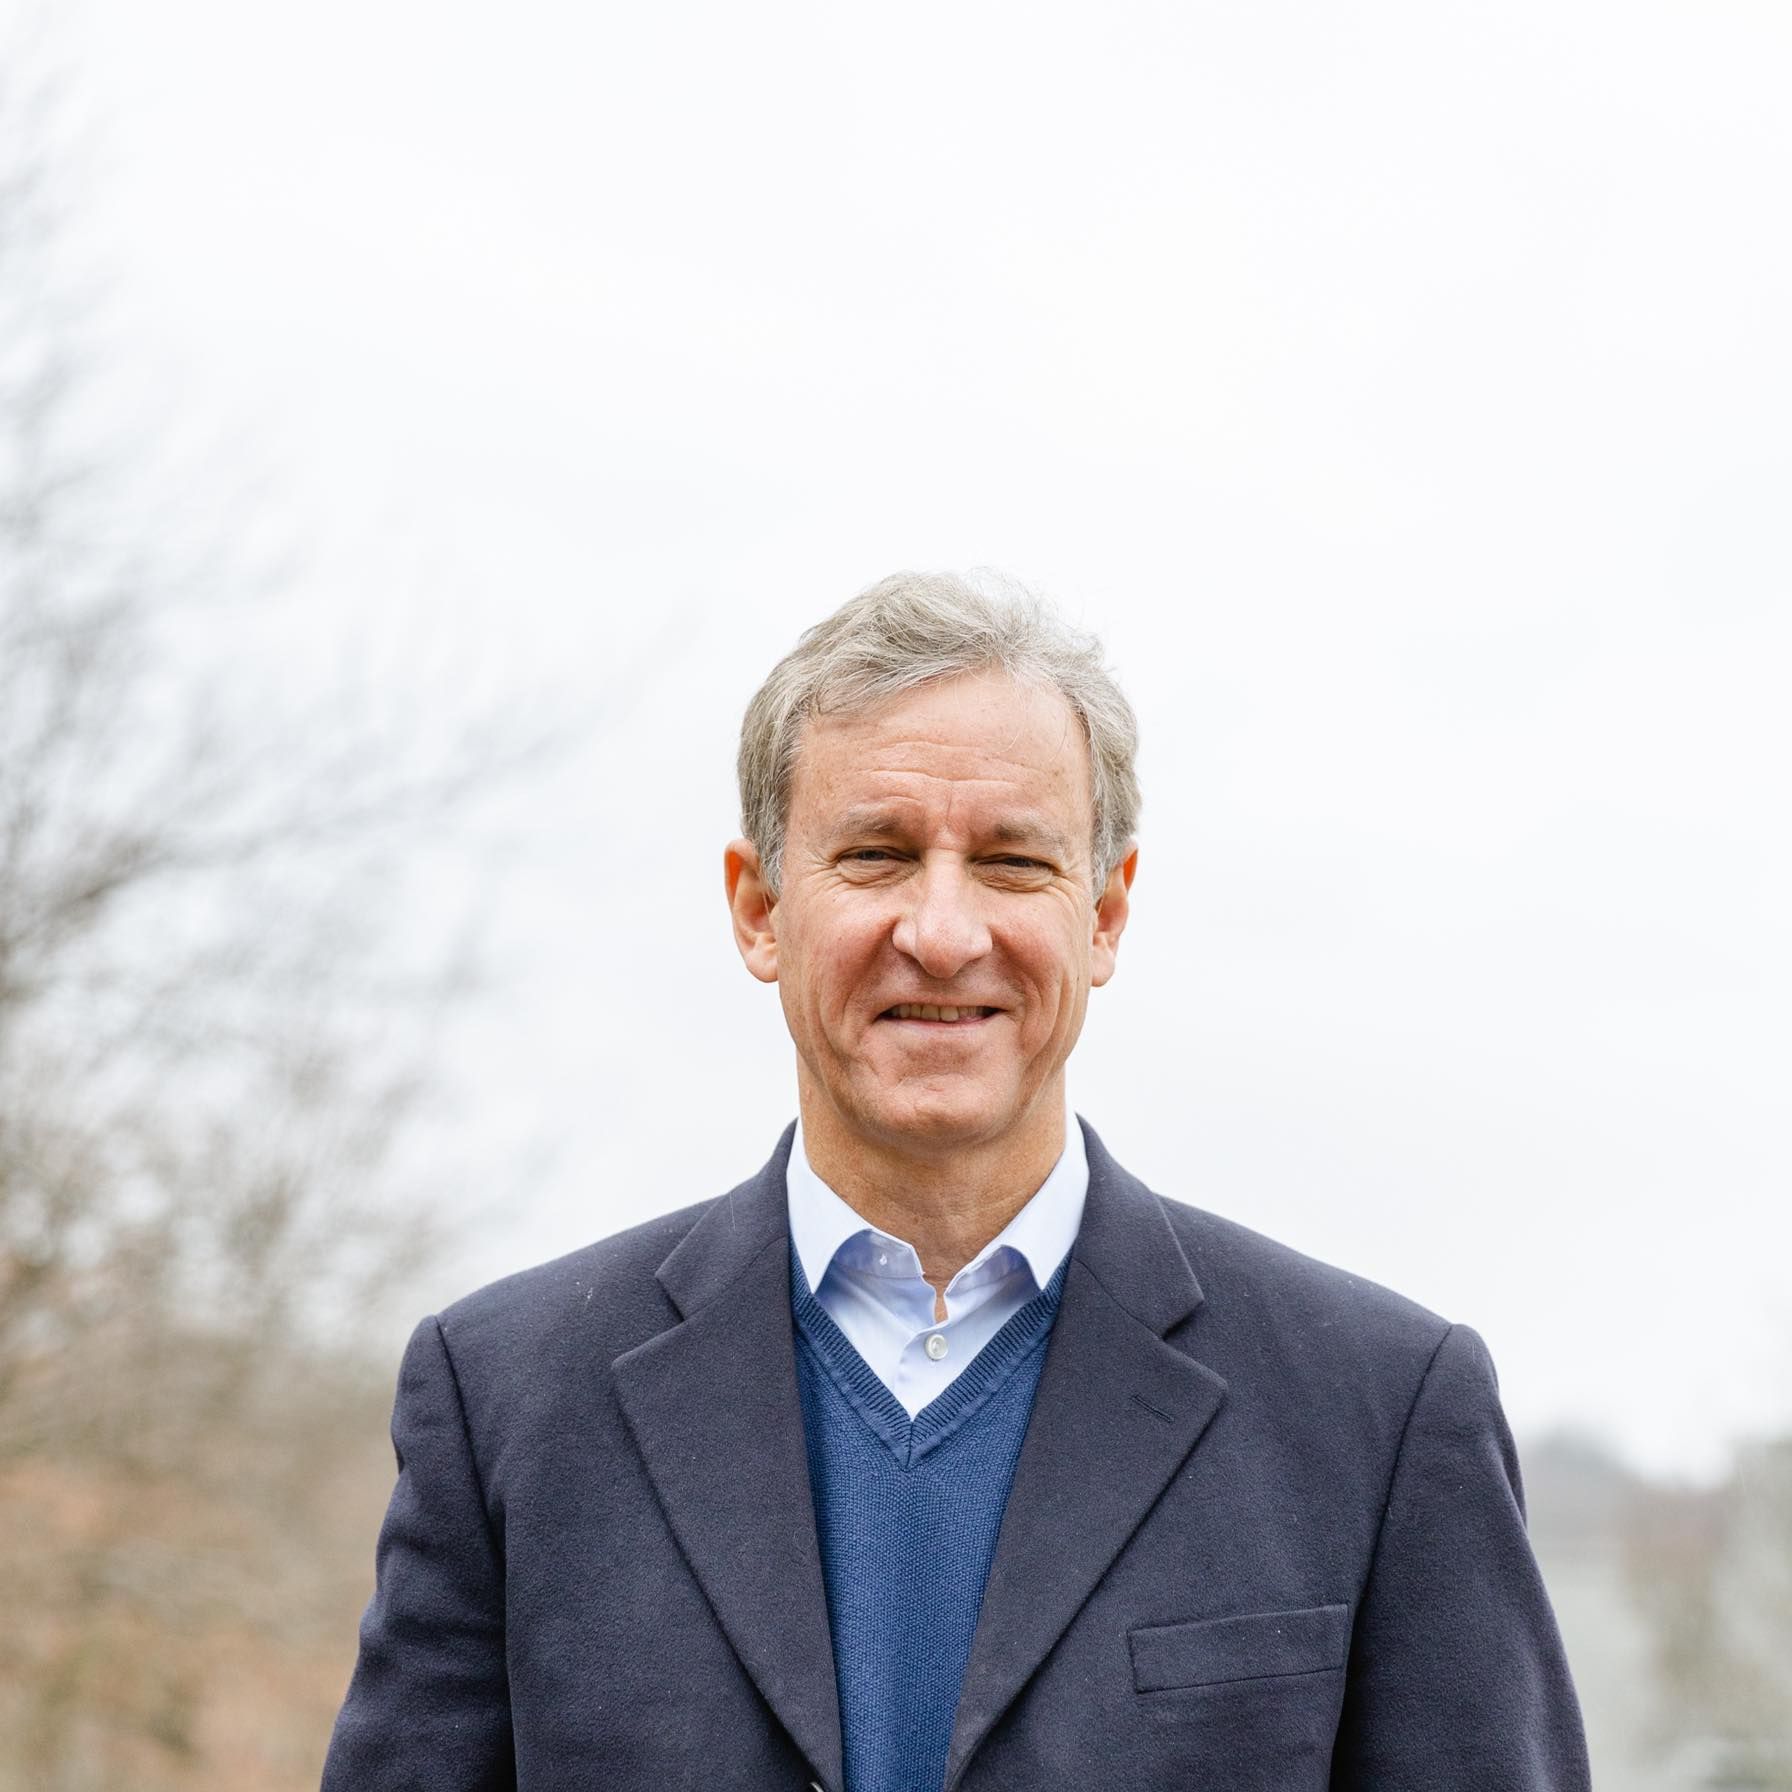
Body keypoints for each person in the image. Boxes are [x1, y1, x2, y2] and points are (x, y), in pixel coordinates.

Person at [322, 572, 1590, 1792]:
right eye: (874, 853)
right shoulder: (509, 1404)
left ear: (1105, 915)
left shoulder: (1378, 1413)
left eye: (1012, 862)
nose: (940, 931)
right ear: (759, 907)